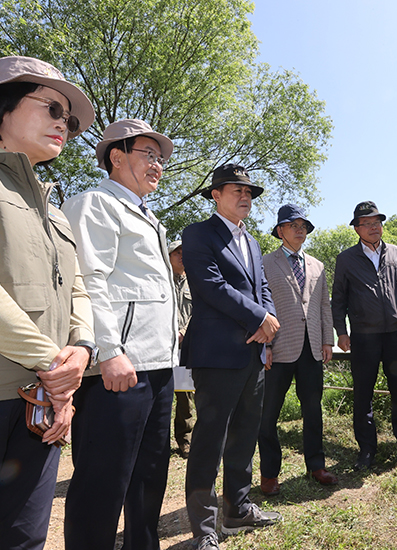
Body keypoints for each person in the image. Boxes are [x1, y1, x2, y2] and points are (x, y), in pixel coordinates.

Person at [0, 55, 96, 550]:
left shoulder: (55, 210)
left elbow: (79, 291)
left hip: (46, 403)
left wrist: (81, 351)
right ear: (1, 106)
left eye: (67, 117)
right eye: (51, 107)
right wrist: (53, 363)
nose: (62, 123)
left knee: (24, 539)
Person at [62, 119, 179, 549]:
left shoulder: (149, 216)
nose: (157, 166)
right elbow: (89, 280)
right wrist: (109, 350)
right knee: (103, 481)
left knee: (150, 474)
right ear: (117, 156)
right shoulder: (95, 203)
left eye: (160, 158)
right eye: (148, 154)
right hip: (119, 366)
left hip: (157, 365)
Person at [181, 164, 282, 550]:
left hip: (254, 353)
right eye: (236, 189)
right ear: (215, 195)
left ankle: (237, 509)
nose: (245, 197)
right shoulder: (198, 234)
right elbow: (210, 285)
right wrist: (260, 316)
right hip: (217, 353)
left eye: (250, 192)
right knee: (210, 440)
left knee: (244, 435)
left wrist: (267, 325)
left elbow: (263, 290)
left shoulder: (253, 242)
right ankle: (204, 529)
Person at [331, 201, 397, 472]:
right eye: (367, 224)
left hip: (395, 334)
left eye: (377, 223)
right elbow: (339, 299)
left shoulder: (396, 253)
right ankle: (366, 451)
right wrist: (342, 332)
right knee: (363, 395)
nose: (374, 228)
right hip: (363, 336)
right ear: (357, 228)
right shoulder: (346, 259)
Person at [258, 204, 338, 496]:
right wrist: (264, 345)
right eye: (293, 225)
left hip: (312, 349)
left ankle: (316, 465)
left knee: (313, 410)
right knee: (268, 415)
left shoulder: (317, 265)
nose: (299, 229)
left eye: (303, 225)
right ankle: (269, 474)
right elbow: (259, 304)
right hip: (277, 348)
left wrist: (327, 340)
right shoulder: (264, 262)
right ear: (280, 230)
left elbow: (323, 305)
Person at [169, 239, 195, 458]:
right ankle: (155, 441)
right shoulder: (159, 280)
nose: (181, 256)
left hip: (184, 349)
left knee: (185, 396)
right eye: (177, 253)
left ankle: (185, 441)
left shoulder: (194, 282)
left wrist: (184, 332)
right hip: (161, 349)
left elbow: (197, 313)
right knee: (159, 396)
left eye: (184, 253)